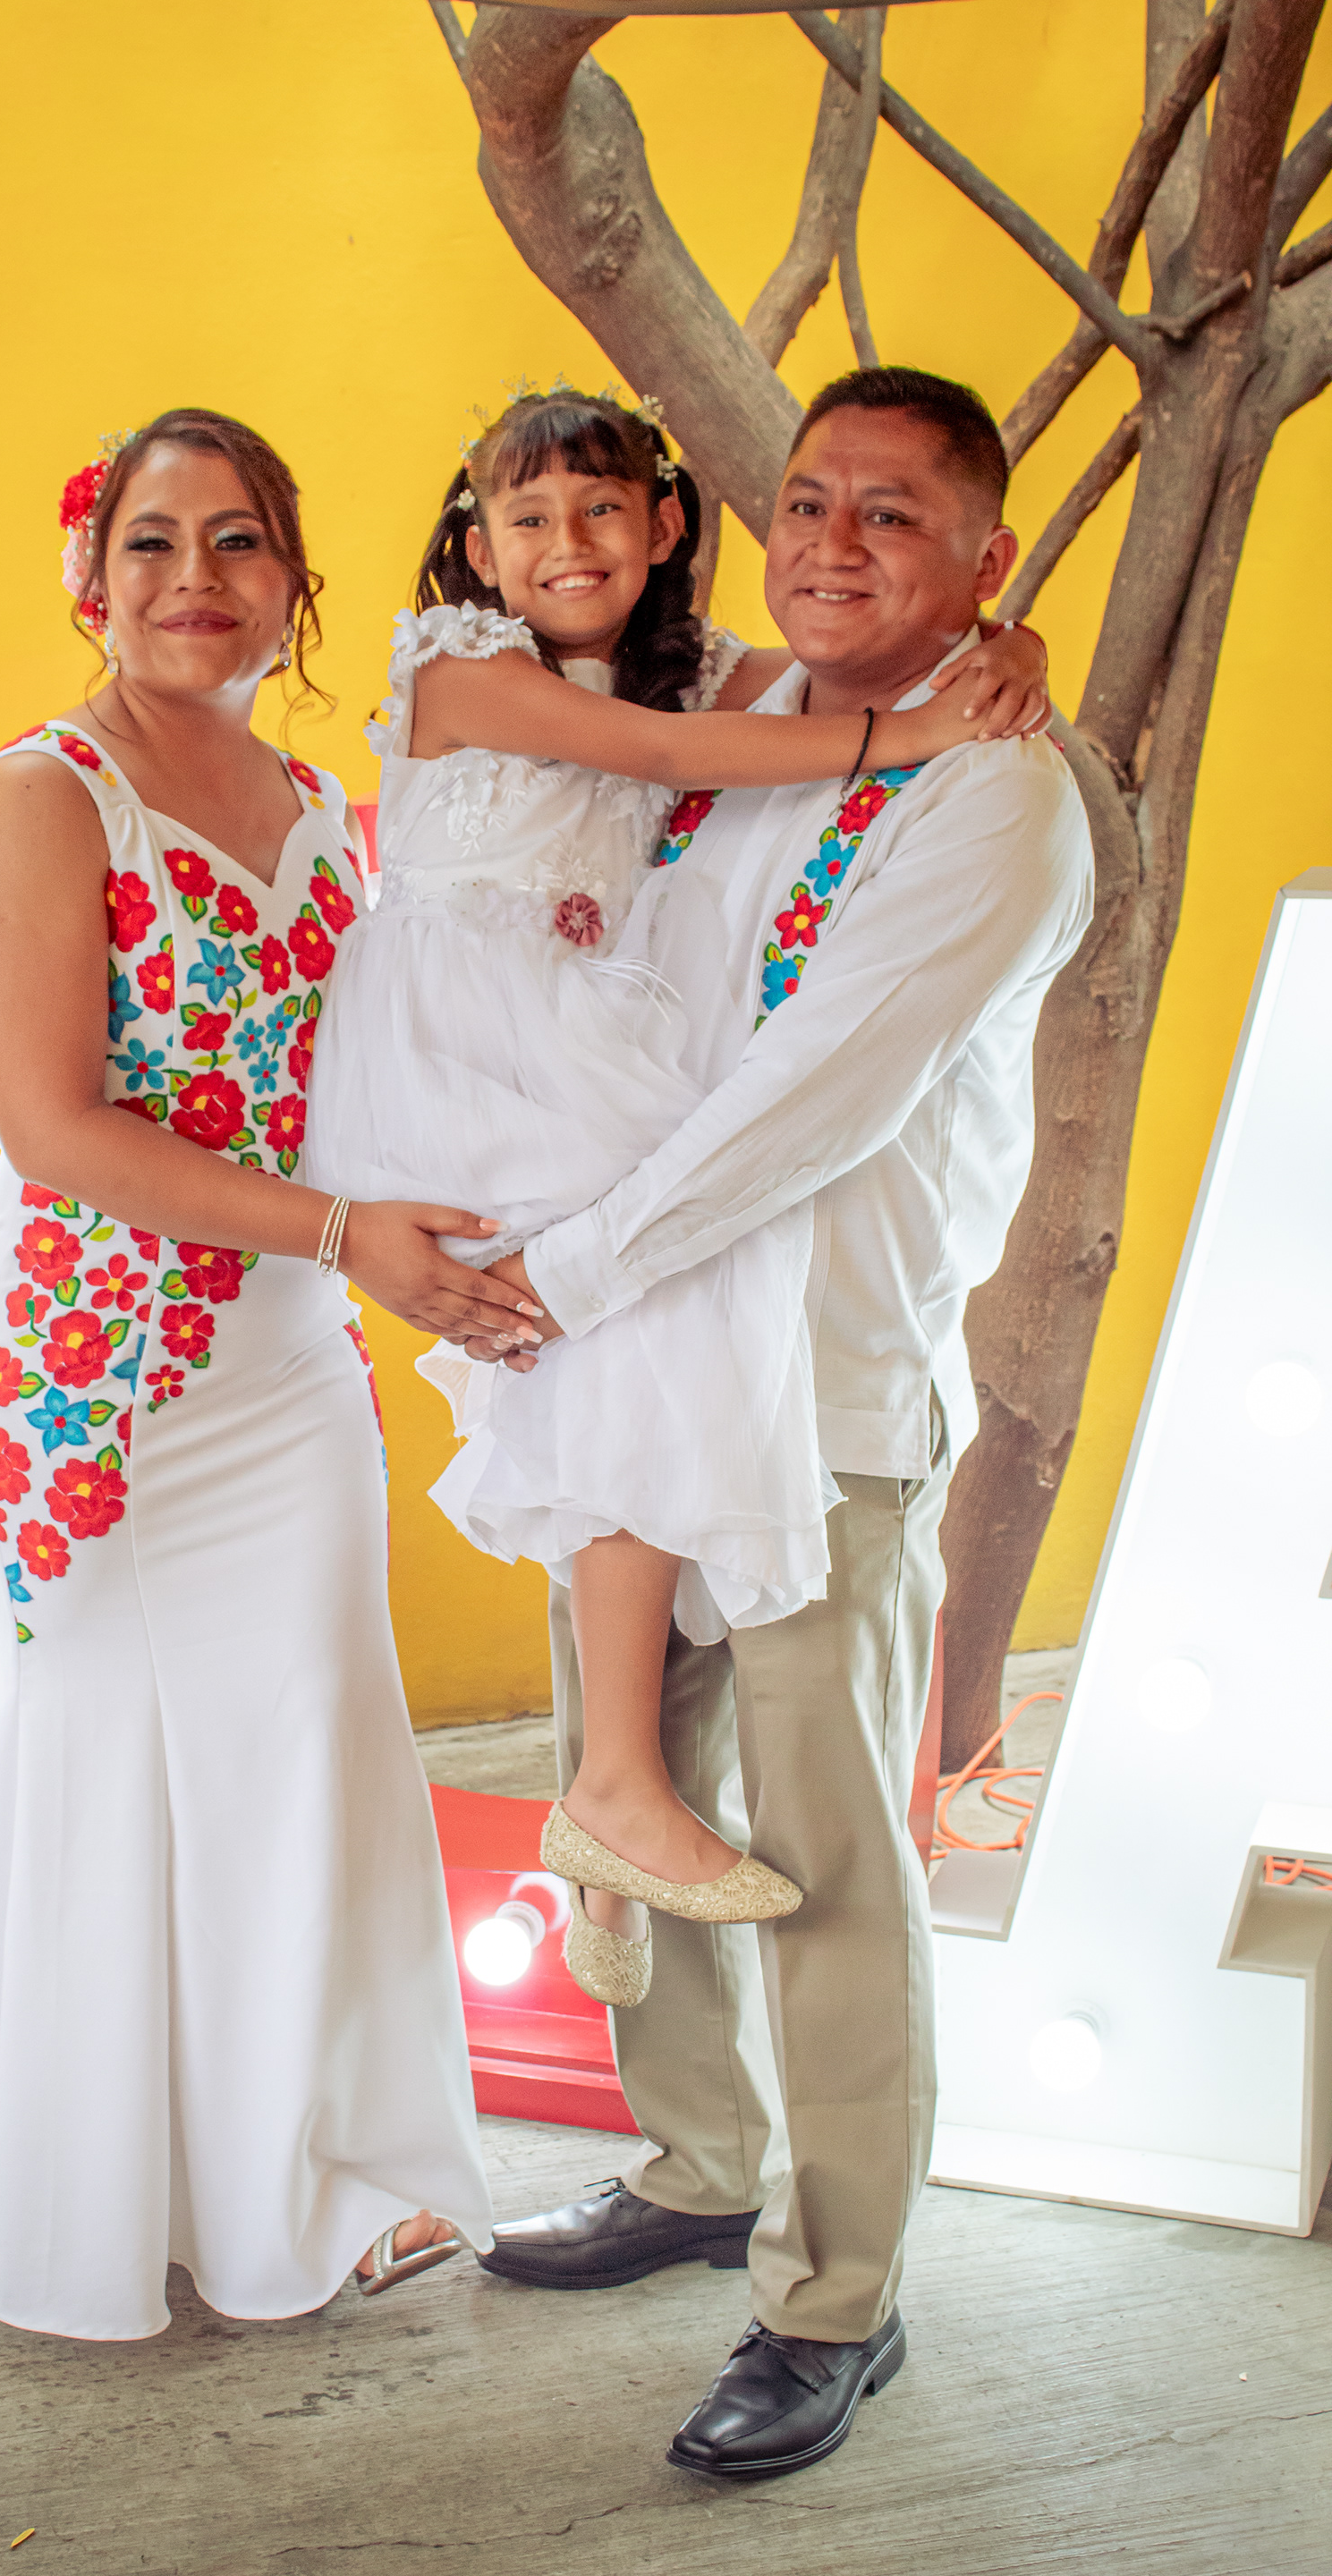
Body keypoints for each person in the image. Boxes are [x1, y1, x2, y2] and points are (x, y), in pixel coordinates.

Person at [0, 408, 547, 2335]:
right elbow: (57, 1130)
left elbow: (364, 1081)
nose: (193, 580)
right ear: (92, 579)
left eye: (236, 542)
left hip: (289, 1358)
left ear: (292, 585)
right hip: (94, 1369)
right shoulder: (41, 798)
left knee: (298, 1749)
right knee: (108, 1754)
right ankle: (104, 2204)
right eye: (152, 543)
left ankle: (300, 2182)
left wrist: (469, 1231)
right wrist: (347, 1236)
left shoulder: (319, 802)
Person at [467, 368, 1096, 2481]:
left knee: (820, 1855)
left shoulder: (996, 796)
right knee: (625, 1794)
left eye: (894, 516)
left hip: (821, 1390)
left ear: (986, 561)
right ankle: (694, 2163)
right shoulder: (733, 711)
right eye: (809, 501)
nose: (834, 543)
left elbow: (803, 1102)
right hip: (636, 1371)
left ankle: (835, 2294)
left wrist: (552, 1278)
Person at [303, 385, 1048, 2008]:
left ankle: (614, 1794)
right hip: (468, 1053)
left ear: (659, 529)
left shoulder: (750, 692)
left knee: (648, 1318)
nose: (566, 544)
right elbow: (668, 754)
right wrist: (912, 726)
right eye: (526, 519)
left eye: (601, 511)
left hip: (794, 1327)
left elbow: (790, 691)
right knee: (655, 1272)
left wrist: (1001, 653)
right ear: (477, 545)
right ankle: (619, 1788)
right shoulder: (476, 668)